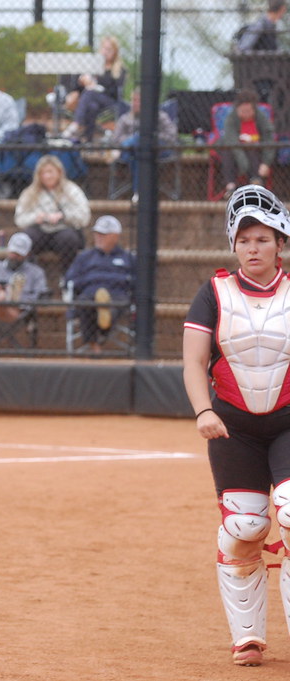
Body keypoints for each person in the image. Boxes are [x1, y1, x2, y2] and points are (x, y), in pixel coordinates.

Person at [181, 184, 290, 667]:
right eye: (245, 240)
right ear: (233, 244)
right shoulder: (214, 292)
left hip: (289, 420)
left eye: (263, 239)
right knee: (246, 524)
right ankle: (248, 638)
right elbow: (193, 362)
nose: (253, 249)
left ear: (280, 244)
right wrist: (204, 410)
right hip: (233, 427)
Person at [64, 215, 134, 354]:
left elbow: (137, 280)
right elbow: (69, 279)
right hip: (89, 293)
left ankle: (95, 343)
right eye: (97, 233)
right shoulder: (85, 257)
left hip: (117, 295)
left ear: (115, 236)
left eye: (103, 234)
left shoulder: (128, 258)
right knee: (85, 303)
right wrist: (85, 283)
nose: (98, 237)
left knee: (113, 306)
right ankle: (101, 329)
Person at [14, 154, 91, 275]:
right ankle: (29, 276)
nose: (47, 176)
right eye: (43, 173)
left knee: (69, 239)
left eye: (50, 172)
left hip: (63, 229)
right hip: (40, 230)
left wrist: (63, 216)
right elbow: (19, 218)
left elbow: (84, 216)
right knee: (25, 239)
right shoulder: (30, 192)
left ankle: (67, 278)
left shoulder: (72, 190)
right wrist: (36, 217)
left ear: (59, 172)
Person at [109, 86, 179, 193]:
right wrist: (134, 138)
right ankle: (141, 192)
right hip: (132, 153)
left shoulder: (160, 116)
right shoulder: (125, 118)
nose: (135, 103)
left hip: (157, 151)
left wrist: (151, 136)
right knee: (139, 148)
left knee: (141, 139)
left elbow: (172, 136)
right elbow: (115, 139)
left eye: (139, 100)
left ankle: (138, 193)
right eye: (133, 100)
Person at [0, 231, 48, 324]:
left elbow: (39, 296)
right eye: (13, 252)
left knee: (4, 296)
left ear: (27, 254)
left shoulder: (35, 272)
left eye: (18, 254)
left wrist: (13, 295)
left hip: (18, 308)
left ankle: (4, 299)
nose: (14, 256)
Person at [62, 35, 127, 143]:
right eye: (104, 49)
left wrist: (95, 84)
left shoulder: (120, 69)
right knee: (92, 106)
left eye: (109, 50)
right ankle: (89, 141)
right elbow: (77, 87)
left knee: (90, 92)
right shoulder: (93, 66)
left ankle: (77, 124)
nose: (105, 52)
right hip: (92, 101)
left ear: (115, 52)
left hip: (110, 101)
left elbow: (114, 91)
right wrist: (82, 80)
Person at [219, 88, 276, 201]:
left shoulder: (260, 117)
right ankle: (230, 187)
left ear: (254, 109)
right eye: (243, 111)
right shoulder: (231, 118)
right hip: (235, 151)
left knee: (252, 149)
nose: (246, 114)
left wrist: (266, 163)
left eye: (249, 111)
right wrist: (243, 164)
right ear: (237, 109)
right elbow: (232, 141)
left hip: (254, 150)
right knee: (227, 150)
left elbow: (269, 138)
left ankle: (256, 185)